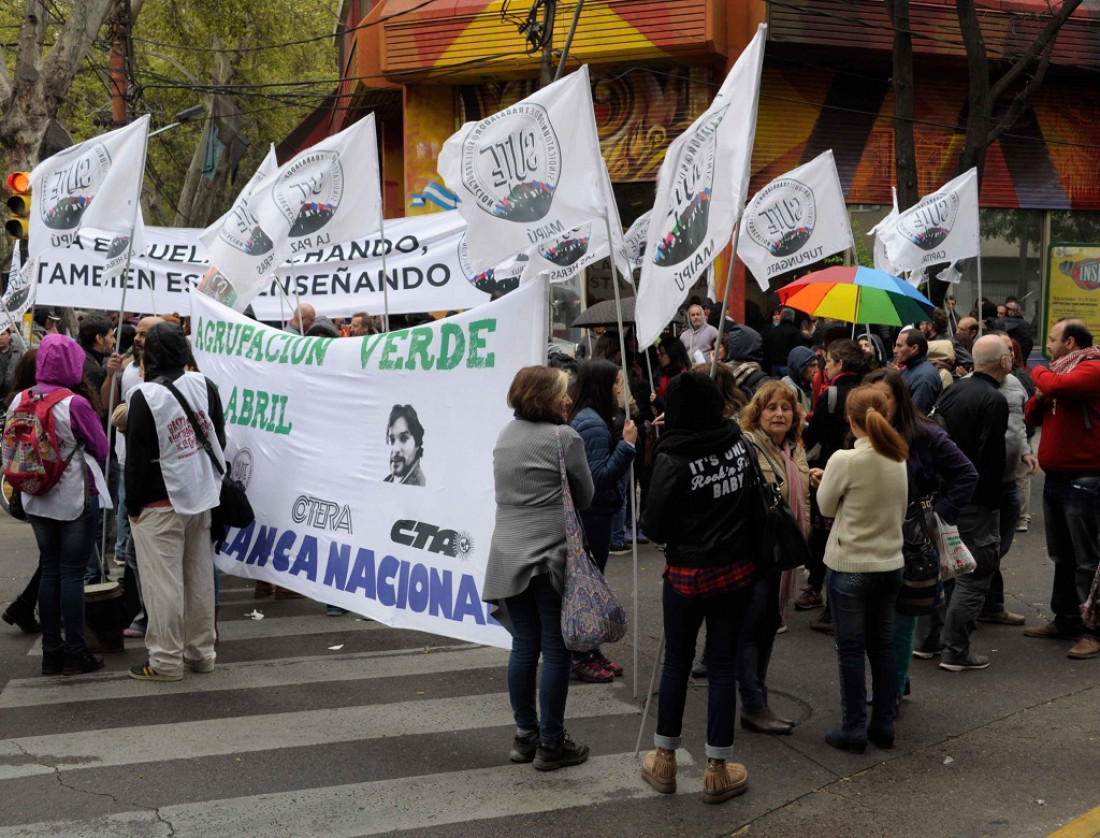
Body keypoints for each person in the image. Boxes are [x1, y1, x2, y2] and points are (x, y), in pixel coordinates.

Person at [639, 372, 760, 803]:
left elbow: (651, 525)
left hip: (687, 573)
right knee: (722, 666)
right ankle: (717, 768)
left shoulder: (672, 457)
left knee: (677, 662)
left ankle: (665, 758)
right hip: (735, 571)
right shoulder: (738, 445)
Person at [482, 366, 594, 771]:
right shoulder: (565, 438)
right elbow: (586, 495)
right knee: (556, 649)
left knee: (524, 645)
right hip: (549, 558)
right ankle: (551, 743)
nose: (568, 400)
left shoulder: (505, 436)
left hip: (508, 555)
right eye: (562, 394)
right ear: (545, 398)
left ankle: (524, 736)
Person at [862, 368, 977, 703]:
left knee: (900, 619)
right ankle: (898, 679)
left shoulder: (925, 434)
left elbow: (967, 475)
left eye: (884, 398)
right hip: (872, 536)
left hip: (912, 542)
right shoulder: (862, 433)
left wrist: (936, 513)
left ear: (899, 398)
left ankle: (892, 692)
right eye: (870, 399)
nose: (878, 406)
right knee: (876, 620)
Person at [125, 322, 226, 681]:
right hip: (200, 496)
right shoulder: (205, 385)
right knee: (199, 578)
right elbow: (219, 439)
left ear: (148, 357)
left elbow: (135, 459)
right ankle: (202, 654)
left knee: (163, 584)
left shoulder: (144, 396)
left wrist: (132, 507)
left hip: (158, 502)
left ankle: (166, 660)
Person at [6, 334, 110, 675]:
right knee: (72, 574)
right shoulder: (74, 403)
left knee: (50, 570)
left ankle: (51, 652)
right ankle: (76, 651)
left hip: (36, 496)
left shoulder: (20, 398)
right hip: (73, 497)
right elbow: (102, 448)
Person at [814, 385, 909, 752]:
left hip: (850, 564)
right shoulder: (898, 456)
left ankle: (853, 727)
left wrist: (827, 484)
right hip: (889, 563)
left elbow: (824, 508)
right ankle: (883, 724)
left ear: (851, 421)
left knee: (850, 649)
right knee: (882, 647)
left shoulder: (844, 459)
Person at [926, 335, 1010, 672]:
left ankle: (927, 642)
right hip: (975, 499)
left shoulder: (955, 389)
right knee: (974, 573)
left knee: (943, 570)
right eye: (1010, 356)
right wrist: (993, 502)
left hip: (946, 495)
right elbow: (991, 458)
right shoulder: (993, 399)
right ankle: (955, 650)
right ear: (1003, 362)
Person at [1022, 319, 1100, 660]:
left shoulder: (1092, 368)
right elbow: (1031, 415)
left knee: (1087, 560)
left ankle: (1092, 630)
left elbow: (1054, 384)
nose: (1049, 346)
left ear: (1070, 343)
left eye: (1052, 340)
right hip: (1057, 479)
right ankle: (1066, 620)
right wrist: (1040, 397)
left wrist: (1035, 372)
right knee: (1063, 556)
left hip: (1084, 480)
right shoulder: (1062, 375)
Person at [737, 381, 810, 734]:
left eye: (785, 407)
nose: (780, 413)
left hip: (783, 556)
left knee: (767, 629)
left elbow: (804, 502)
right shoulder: (748, 446)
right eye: (771, 408)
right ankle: (753, 705)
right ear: (758, 413)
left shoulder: (795, 448)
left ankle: (758, 700)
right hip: (756, 556)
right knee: (752, 630)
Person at [568, 360, 636, 681]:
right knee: (590, 586)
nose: (619, 389)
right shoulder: (593, 424)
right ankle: (583, 653)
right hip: (594, 515)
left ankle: (590, 649)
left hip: (593, 515)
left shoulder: (589, 418)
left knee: (591, 584)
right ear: (601, 386)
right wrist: (627, 446)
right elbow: (598, 478)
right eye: (615, 383)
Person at [796, 339, 871, 627]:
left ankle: (820, 592)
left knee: (823, 532)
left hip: (829, 468)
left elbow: (813, 436)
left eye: (828, 362)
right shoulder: (870, 392)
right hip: (864, 470)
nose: (824, 367)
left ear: (840, 364)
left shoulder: (832, 395)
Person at [894, 329, 942, 413]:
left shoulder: (924, 377)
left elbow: (916, 415)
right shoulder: (908, 368)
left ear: (914, 348)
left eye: (899, 346)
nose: (894, 350)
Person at [384, 404, 426, 486]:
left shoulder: (419, 485)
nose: (396, 449)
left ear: (417, 444)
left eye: (403, 439)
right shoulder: (387, 481)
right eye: (392, 440)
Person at [780, 346, 818, 415]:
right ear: (800, 367)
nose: (816, 370)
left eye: (817, 366)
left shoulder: (805, 385)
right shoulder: (790, 389)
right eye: (812, 366)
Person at [653, 338, 689, 403]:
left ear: (672, 353)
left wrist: (657, 401)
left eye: (662, 354)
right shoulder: (666, 373)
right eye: (658, 354)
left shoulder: (684, 378)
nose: (659, 358)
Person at [0, 325, 26, 396]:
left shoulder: (19, 354)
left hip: (12, 395)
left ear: (9, 335)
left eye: (3, 334)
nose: (0, 338)